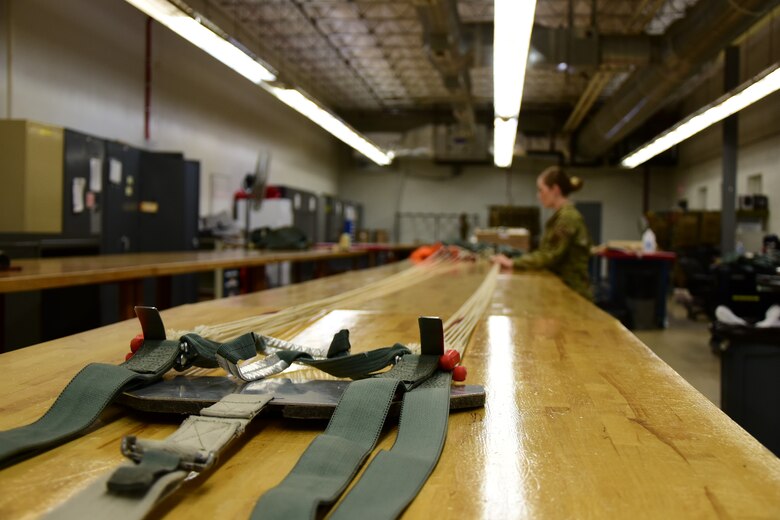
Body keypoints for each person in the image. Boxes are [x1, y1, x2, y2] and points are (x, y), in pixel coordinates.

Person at [493, 166, 592, 299]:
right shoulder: (560, 217)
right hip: (562, 289)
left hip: (572, 292)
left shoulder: (568, 218)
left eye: (541, 190)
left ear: (555, 190)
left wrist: (514, 263)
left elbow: (549, 255)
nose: (538, 195)